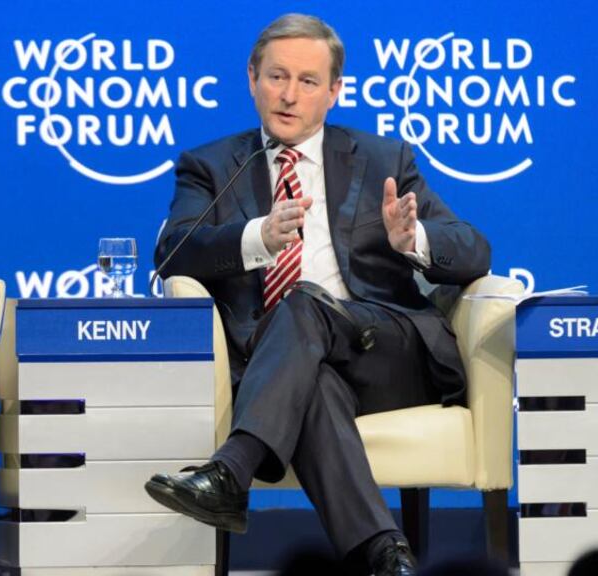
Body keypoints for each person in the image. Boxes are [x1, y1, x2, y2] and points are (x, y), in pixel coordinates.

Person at [144, 13, 490, 576]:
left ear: (334, 91)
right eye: (276, 76)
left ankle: (232, 470)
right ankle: (386, 555)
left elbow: (474, 250)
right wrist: (256, 238)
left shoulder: (384, 160)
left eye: (308, 81)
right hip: (284, 366)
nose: (289, 95)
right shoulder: (209, 166)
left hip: (386, 352)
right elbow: (173, 253)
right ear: (252, 78)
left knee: (303, 301)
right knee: (317, 382)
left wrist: (414, 240)